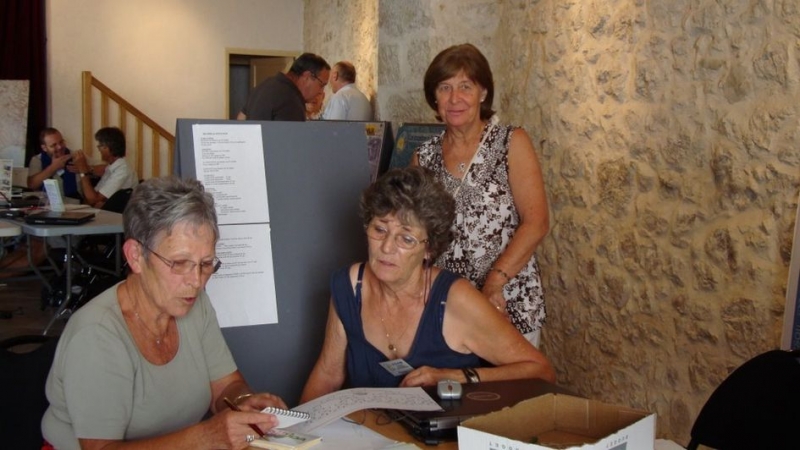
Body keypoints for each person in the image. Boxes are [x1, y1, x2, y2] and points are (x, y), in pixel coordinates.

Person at [42, 176, 287, 450]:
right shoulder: (97, 334)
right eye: (180, 263)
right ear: (135, 256)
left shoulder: (194, 304)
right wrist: (206, 438)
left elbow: (225, 386)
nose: (196, 281)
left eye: (206, 263)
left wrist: (243, 402)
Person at [300, 167, 554, 402]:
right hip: (370, 432)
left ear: (429, 249)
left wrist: (457, 377)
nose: (387, 247)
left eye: (406, 239)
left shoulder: (456, 299)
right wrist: (296, 430)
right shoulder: (349, 287)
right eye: (379, 230)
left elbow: (540, 371)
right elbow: (328, 374)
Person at [412, 44, 550, 346]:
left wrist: (494, 282)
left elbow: (536, 222)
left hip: (507, 301)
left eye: (465, 86)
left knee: (513, 377)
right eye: (445, 88)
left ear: (483, 93)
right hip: (448, 308)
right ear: (434, 97)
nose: (454, 98)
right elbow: (416, 232)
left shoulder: (511, 143)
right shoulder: (424, 158)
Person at [237, 53, 330, 121]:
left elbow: (241, 118)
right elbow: (292, 140)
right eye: (321, 85)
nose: (321, 91)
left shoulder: (263, 85)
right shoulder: (292, 100)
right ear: (307, 76)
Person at [71, 127, 139, 209]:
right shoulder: (111, 167)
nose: (98, 149)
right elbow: (93, 197)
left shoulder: (122, 170)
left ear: (108, 147)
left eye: (100, 145)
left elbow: (93, 199)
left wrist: (83, 171)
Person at [27, 128, 80, 199]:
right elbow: (32, 185)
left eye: (61, 142)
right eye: (54, 145)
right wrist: (53, 167)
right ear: (44, 148)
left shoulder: (76, 156)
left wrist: (86, 169)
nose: (59, 147)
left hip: (75, 202)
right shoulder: (37, 160)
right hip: (47, 203)